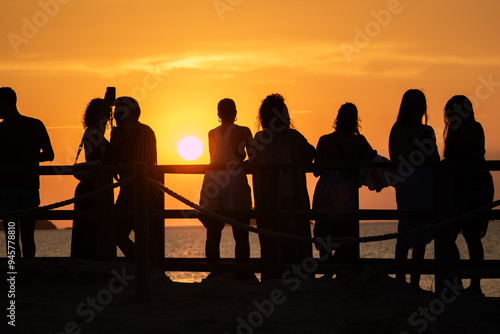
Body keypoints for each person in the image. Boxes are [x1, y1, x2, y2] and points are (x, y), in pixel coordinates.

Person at [250, 93, 315, 280]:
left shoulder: (260, 139)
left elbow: (250, 158)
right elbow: (311, 154)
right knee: (298, 245)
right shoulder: (294, 138)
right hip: (295, 202)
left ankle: (272, 278)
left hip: (269, 205)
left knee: (272, 245)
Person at [437, 95, 494, 296]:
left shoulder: (473, 128)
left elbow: (463, 153)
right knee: (450, 236)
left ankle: (474, 284)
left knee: (470, 236)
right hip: (459, 187)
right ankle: (458, 281)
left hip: (473, 187)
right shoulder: (456, 129)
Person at [312, 103, 377, 274]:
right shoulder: (359, 141)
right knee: (348, 234)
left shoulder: (324, 140)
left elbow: (316, 171)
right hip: (346, 186)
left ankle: (328, 271)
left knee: (323, 232)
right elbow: (372, 157)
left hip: (325, 185)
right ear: (356, 120)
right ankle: (336, 268)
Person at [388, 89, 439, 290]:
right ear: (408, 106)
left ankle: (415, 283)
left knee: (422, 234)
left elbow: (434, 158)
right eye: (416, 104)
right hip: (407, 183)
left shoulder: (428, 130)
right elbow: (396, 159)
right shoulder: (399, 128)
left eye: (422, 104)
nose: (420, 108)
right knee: (406, 230)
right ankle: (400, 281)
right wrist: (416, 145)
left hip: (425, 182)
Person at [199, 98, 253, 276]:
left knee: (213, 231)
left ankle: (214, 272)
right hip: (234, 179)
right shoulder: (243, 131)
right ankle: (243, 272)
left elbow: (212, 155)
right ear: (235, 113)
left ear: (218, 114)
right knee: (240, 229)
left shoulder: (211, 133)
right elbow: (253, 156)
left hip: (212, 178)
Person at [104, 96, 162, 260]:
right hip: (125, 191)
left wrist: (119, 163)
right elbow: (113, 159)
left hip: (144, 191)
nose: (116, 115)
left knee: (143, 231)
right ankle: (140, 263)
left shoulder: (145, 132)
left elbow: (140, 163)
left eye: (120, 111)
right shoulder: (117, 134)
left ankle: (151, 267)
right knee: (116, 233)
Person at [0, 87, 54, 258]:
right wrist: (29, 158)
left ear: (6, 103)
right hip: (29, 188)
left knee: (11, 238)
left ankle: (14, 275)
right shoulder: (35, 124)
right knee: (28, 237)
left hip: (7, 190)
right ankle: (29, 268)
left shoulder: (0, 130)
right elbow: (49, 155)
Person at [71, 97, 112, 260]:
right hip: (93, 186)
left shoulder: (92, 132)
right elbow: (99, 160)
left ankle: (87, 258)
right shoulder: (94, 134)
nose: (109, 118)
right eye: (107, 115)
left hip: (91, 185)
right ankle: (91, 259)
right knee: (91, 226)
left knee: (88, 227)